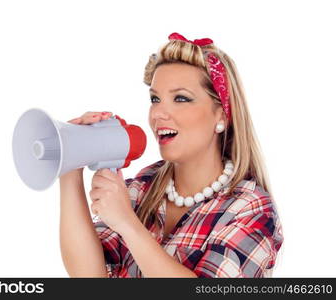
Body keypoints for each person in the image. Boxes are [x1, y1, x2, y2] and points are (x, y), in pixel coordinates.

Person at [59, 32, 284, 278]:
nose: (158, 114)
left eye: (180, 98)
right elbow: (89, 277)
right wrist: (70, 166)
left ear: (221, 115)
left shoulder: (250, 207)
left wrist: (128, 224)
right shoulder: (143, 187)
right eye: (155, 99)